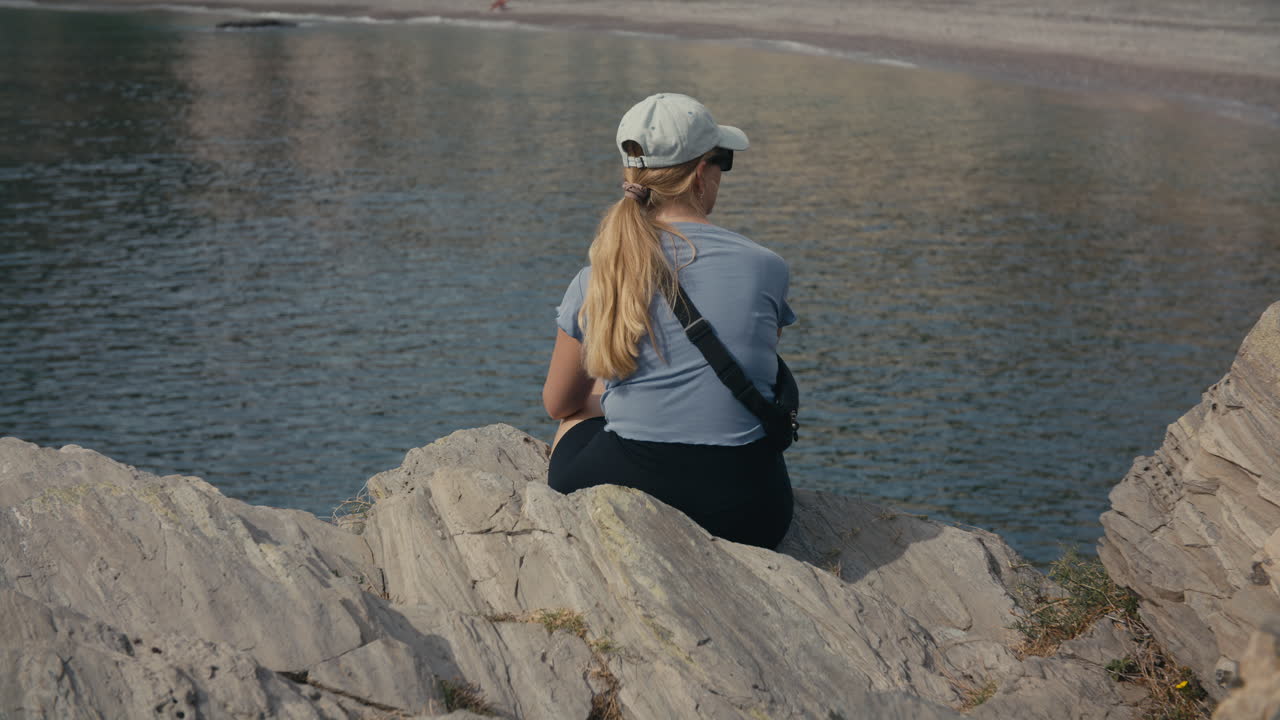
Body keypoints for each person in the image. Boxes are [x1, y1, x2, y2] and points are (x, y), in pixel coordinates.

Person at [542, 93, 796, 549]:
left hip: (626, 488)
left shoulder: (597, 276)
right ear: (702, 174)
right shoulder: (767, 266)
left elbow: (559, 404)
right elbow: (752, 368)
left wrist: (607, 393)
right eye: (724, 162)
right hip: (751, 511)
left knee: (584, 402)